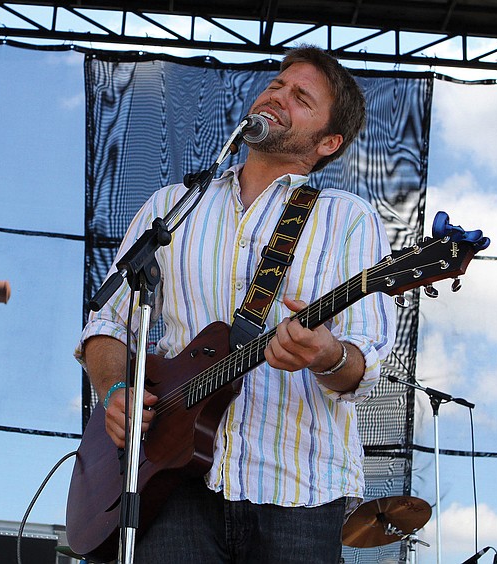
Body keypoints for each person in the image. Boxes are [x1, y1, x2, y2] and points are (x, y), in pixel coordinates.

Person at [76, 45, 396, 563]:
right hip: (171, 486)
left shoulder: (348, 219)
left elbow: (363, 366)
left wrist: (325, 355)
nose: (277, 95)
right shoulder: (171, 208)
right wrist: (116, 389)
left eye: (300, 97)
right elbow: (108, 325)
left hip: (299, 489)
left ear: (328, 142)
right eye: (276, 84)